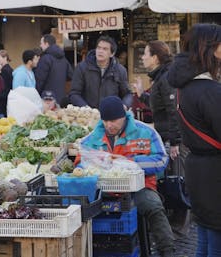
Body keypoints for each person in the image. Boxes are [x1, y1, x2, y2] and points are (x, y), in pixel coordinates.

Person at [80, 96, 175, 257]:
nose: (109, 125)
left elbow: (161, 160)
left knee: (154, 206)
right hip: (103, 191)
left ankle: (167, 250)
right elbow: (80, 164)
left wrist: (131, 163)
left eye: (114, 120)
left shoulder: (145, 132)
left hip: (141, 186)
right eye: (105, 121)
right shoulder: (91, 139)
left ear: (124, 115)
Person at [167, 23, 221, 257]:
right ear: (209, 48)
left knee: (206, 239)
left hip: (198, 170)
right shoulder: (210, 91)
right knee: (216, 242)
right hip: (215, 173)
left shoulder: (186, 87)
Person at [135, 41, 181, 159]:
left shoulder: (165, 78)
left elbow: (173, 109)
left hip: (171, 141)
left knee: (175, 175)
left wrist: (174, 142)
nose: (142, 57)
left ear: (155, 58)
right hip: (165, 136)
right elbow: (158, 104)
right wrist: (141, 94)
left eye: (145, 54)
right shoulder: (159, 76)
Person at [69, 35, 133, 109]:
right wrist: (86, 108)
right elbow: (74, 94)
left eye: (105, 49)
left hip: (111, 115)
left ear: (112, 54)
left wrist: (124, 105)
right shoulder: (82, 67)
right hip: (88, 115)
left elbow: (128, 94)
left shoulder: (120, 70)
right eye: (99, 48)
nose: (100, 51)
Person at [34, 34, 73, 102]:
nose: (40, 46)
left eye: (41, 43)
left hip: (47, 98)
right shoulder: (63, 59)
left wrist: (35, 95)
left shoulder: (45, 58)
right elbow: (70, 75)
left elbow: (40, 80)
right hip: (61, 97)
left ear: (47, 44)